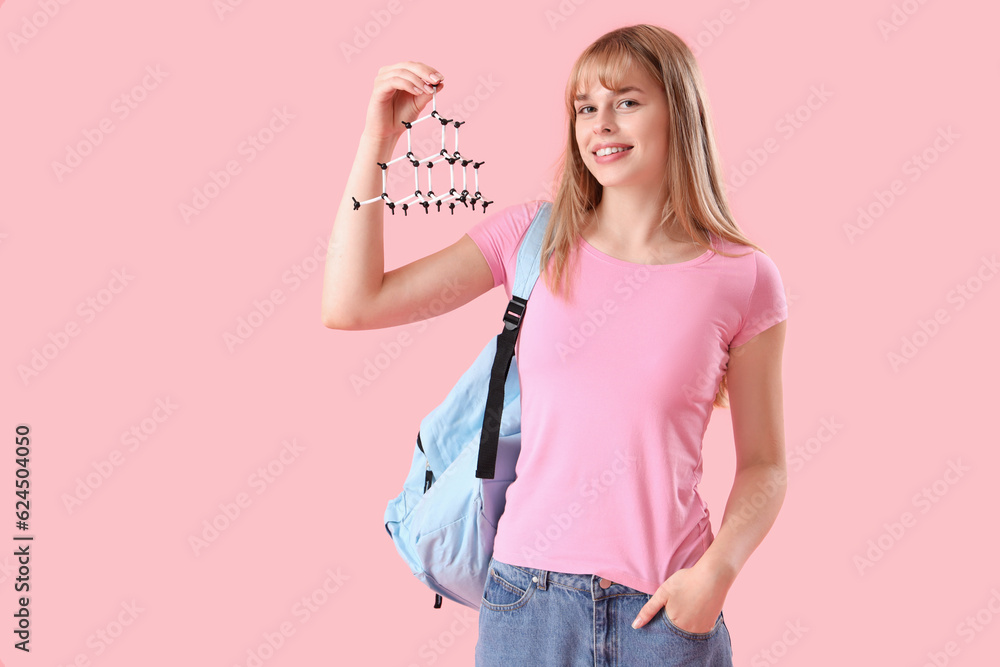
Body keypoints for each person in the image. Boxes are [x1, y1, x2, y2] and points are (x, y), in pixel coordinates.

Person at [323, 23, 788, 667]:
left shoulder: (743, 277)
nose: (602, 124)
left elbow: (765, 463)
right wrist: (379, 141)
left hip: (666, 610)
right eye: (585, 107)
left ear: (679, 110)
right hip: (526, 605)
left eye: (627, 100)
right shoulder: (531, 240)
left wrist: (716, 576)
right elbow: (353, 304)